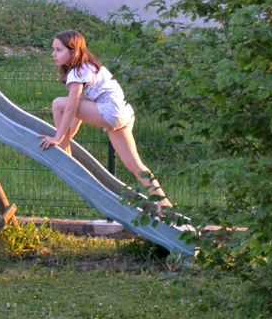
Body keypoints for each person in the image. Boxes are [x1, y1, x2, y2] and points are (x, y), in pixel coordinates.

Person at [37, 30, 172, 212]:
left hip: (109, 110)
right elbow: (78, 111)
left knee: (58, 104)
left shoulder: (77, 71)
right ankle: (164, 204)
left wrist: (58, 138)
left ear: (74, 51)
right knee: (134, 164)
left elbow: (70, 108)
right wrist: (68, 134)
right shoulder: (91, 66)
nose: (54, 54)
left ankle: (65, 155)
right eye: (53, 49)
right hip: (123, 112)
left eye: (59, 50)